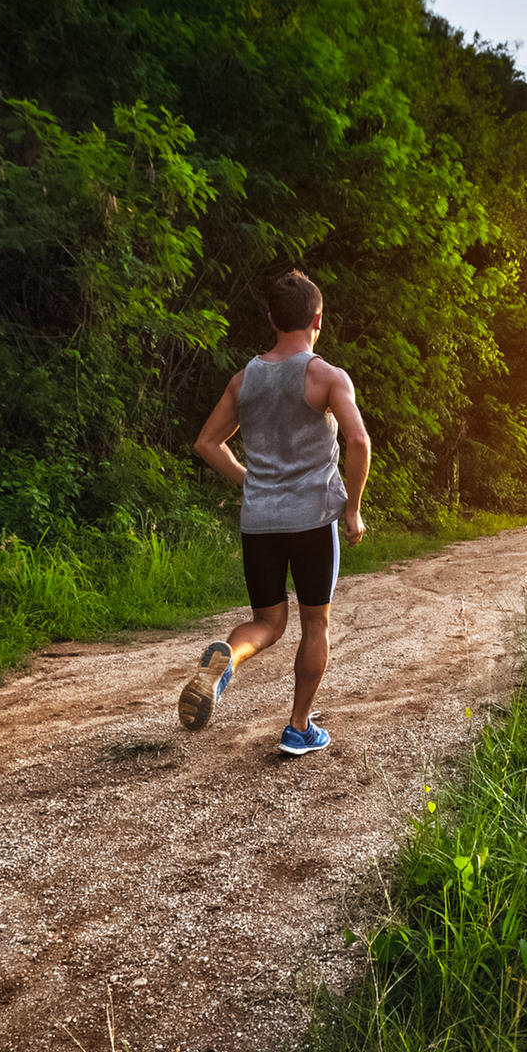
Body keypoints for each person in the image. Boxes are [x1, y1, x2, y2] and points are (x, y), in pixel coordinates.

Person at [178, 270, 371, 754]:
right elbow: (359, 440)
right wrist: (353, 510)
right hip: (312, 520)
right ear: (318, 319)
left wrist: (253, 482)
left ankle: (229, 658)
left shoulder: (244, 380)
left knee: (267, 621)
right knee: (314, 624)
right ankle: (299, 726)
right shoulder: (326, 376)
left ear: (271, 318)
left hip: (260, 522)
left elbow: (207, 443)